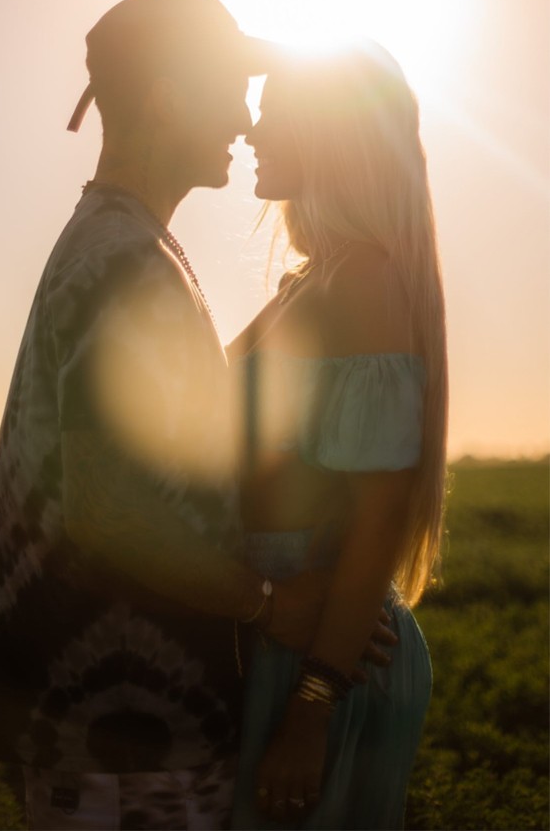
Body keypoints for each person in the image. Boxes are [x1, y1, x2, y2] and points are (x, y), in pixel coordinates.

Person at [0, 0, 333, 831]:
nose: (245, 121)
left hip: (101, 726)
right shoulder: (128, 258)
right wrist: (275, 605)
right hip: (125, 733)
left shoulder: (116, 240)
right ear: (168, 97)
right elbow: (110, 515)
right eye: (231, 90)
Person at [227, 45, 448, 829]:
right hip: (283, 624)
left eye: (273, 108)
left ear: (332, 133)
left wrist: (314, 702)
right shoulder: (308, 281)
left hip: (324, 653)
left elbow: (380, 513)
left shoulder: (364, 281)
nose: (251, 129)